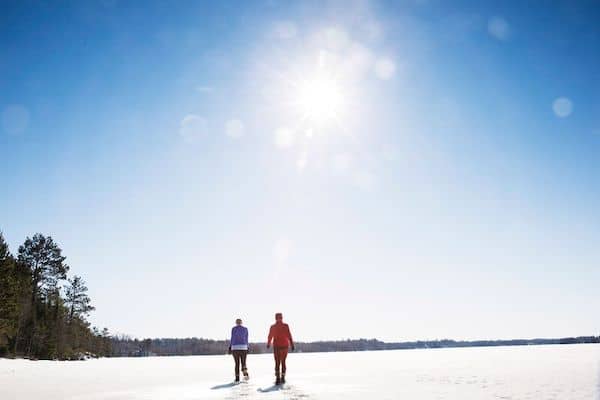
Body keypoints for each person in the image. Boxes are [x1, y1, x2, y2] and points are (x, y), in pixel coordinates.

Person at [267, 312, 294, 385]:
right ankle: (283, 377)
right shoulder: (285, 326)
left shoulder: (273, 326)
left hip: (277, 346)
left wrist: (268, 343)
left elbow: (270, 336)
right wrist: (292, 344)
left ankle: (278, 378)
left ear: (275, 318)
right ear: (282, 317)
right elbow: (289, 335)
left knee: (277, 362)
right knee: (283, 362)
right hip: (284, 346)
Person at [228, 318, 249, 382]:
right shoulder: (245, 329)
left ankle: (237, 378)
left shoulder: (233, 329)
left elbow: (232, 338)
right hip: (243, 347)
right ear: (241, 322)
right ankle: (245, 372)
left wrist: (230, 347)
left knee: (237, 363)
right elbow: (246, 338)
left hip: (235, 347)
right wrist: (247, 346)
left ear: (236, 323)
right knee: (243, 362)